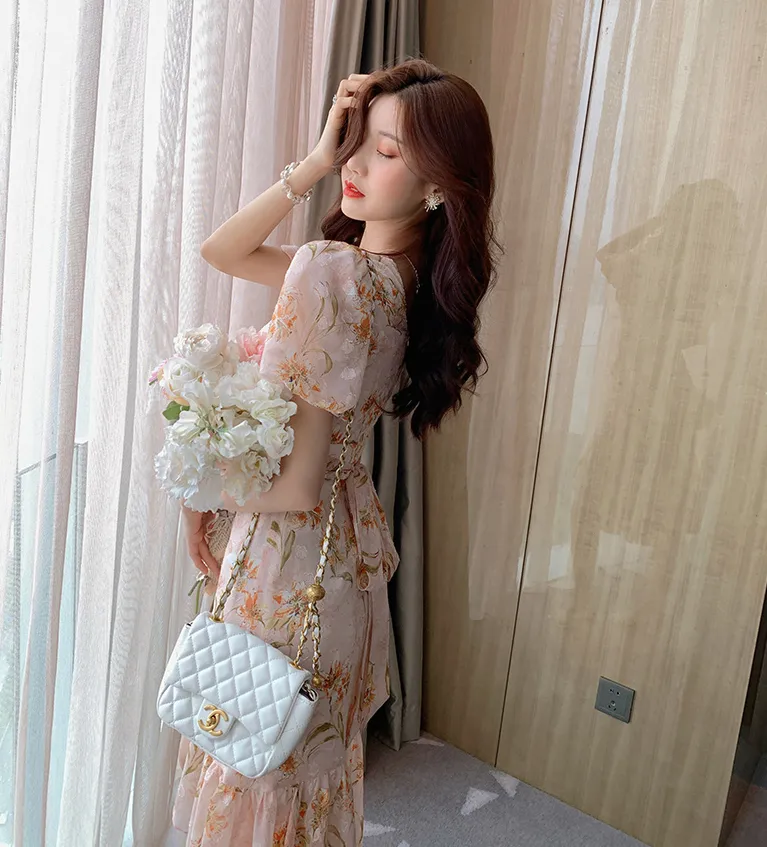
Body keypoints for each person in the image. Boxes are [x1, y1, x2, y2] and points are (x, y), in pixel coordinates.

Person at [172, 58, 499, 846]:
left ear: (437, 184)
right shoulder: (403, 279)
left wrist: (198, 490)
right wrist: (323, 156)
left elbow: (292, 485)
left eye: (382, 152)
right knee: (296, 773)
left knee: (249, 754)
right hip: (344, 562)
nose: (353, 164)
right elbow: (226, 252)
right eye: (354, 142)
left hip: (286, 562)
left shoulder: (332, 270)